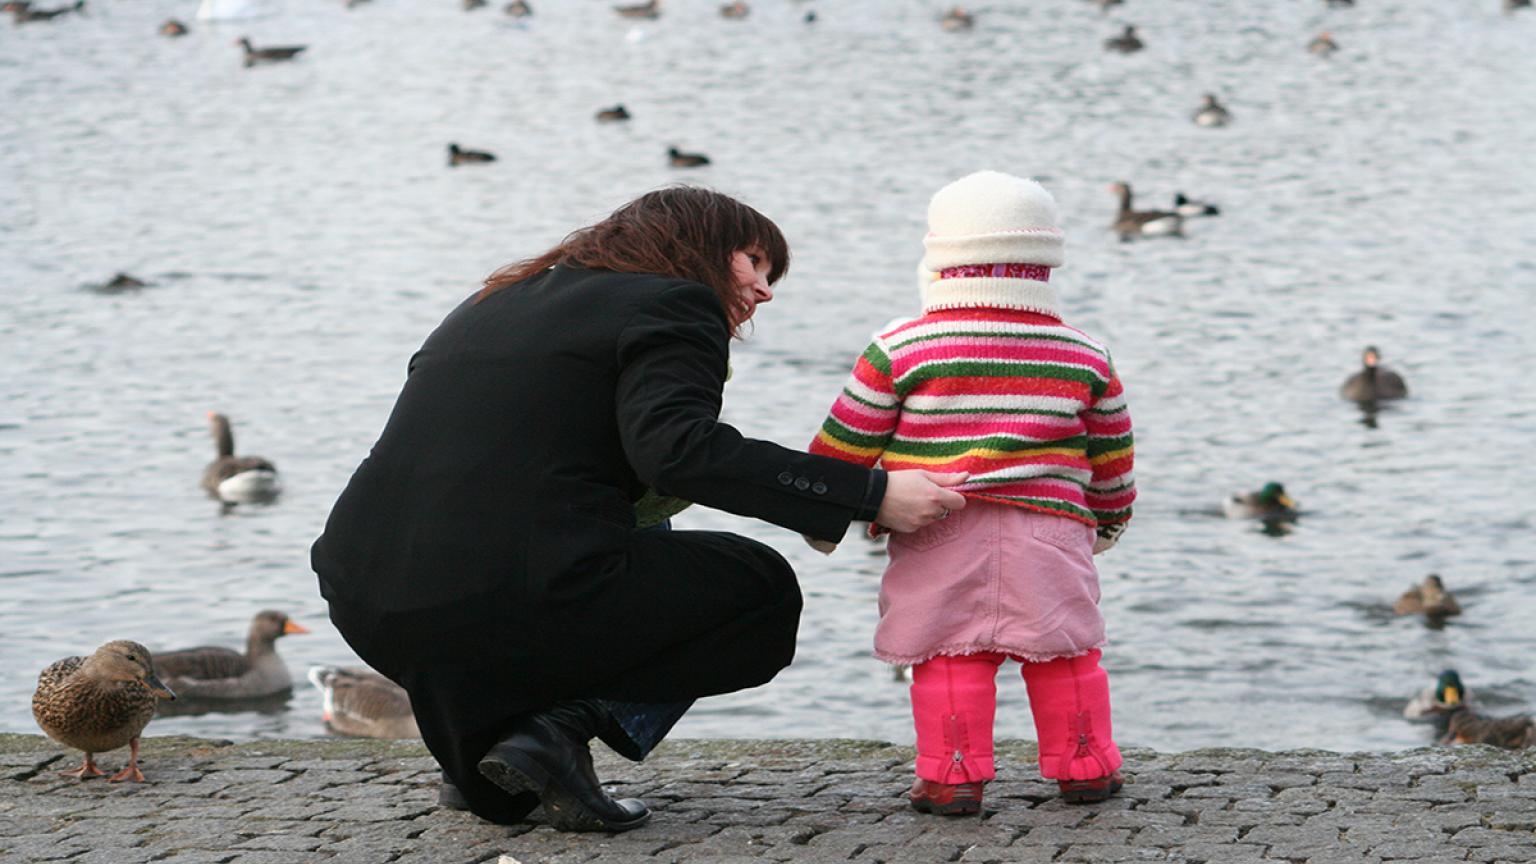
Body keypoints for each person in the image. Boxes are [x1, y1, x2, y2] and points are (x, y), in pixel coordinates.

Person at [310, 186, 967, 832]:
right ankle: (557, 727)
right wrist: (870, 493)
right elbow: (679, 452)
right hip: (499, 589)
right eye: (755, 263)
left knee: (633, 539)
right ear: (702, 247)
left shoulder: (495, 299)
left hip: (362, 592)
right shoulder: (678, 303)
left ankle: (491, 752)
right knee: (758, 592)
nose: (766, 290)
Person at [807, 171, 1136, 815]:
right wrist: (1111, 521)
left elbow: (845, 441)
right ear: (1045, 264)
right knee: (1064, 648)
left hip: (936, 520)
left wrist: (823, 518)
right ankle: (1086, 767)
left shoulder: (902, 346)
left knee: (947, 652)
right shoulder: (1083, 353)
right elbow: (1112, 455)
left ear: (940, 259)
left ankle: (951, 778)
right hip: (1051, 524)